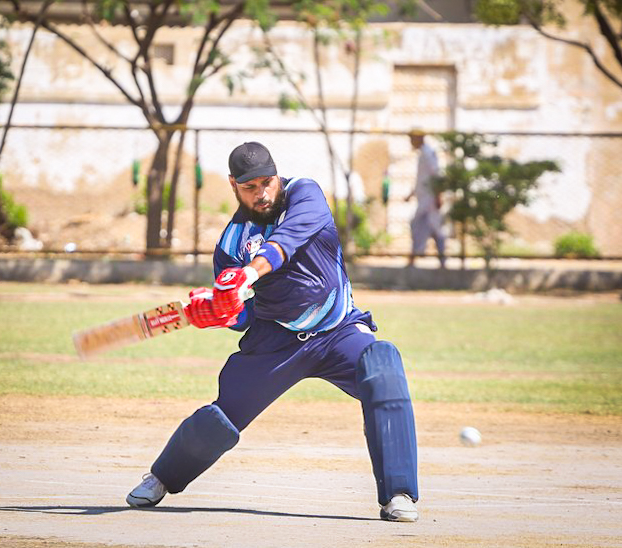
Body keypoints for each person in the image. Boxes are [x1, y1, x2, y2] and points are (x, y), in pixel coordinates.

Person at [126, 141, 419, 522]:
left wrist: (249, 273)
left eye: (267, 182)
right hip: (276, 342)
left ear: (277, 176)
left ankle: (398, 494)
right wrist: (220, 312)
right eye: (250, 187)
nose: (262, 193)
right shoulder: (231, 243)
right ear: (233, 185)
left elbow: (287, 242)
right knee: (223, 416)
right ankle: (162, 477)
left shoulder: (304, 194)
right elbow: (245, 315)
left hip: (338, 330)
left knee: (383, 366)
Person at [404, 130, 446, 268]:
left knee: (418, 225)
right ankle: (439, 260)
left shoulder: (428, 154)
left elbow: (436, 175)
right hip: (424, 198)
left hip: (430, 199)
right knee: (433, 228)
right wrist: (411, 194)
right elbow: (422, 179)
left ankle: (414, 257)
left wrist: (438, 196)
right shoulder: (423, 154)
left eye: (412, 139)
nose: (411, 142)